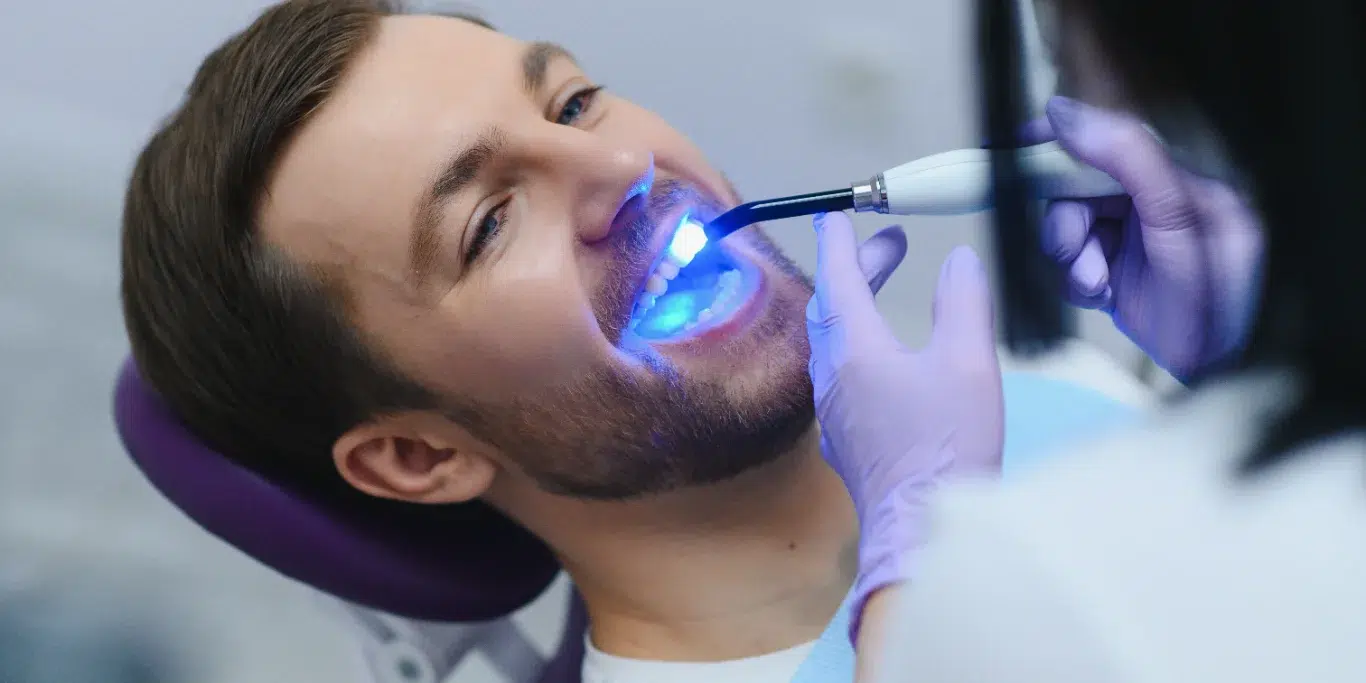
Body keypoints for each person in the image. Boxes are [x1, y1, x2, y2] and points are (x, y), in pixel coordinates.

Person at [119, 2, 1131, 682]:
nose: (618, 165)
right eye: (488, 222)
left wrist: (1262, 350)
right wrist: (923, 566)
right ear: (420, 453)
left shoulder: (1057, 385)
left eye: (572, 101)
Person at [806, 0, 1366, 680]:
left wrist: (917, 549)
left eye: (1058, 35)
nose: (1060, 81)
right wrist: (1261, 352)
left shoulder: (1049, 574)